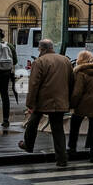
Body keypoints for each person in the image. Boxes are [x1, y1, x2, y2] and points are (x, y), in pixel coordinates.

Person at [18, 38, 75, 166]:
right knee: (58, 129)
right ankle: (62, 159)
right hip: (60, 101)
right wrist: (69, 100)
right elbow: (72, 81)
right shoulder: (65, 60)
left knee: (32, 122)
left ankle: (28, 145)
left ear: (42, 49)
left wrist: (30, 104)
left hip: (43, 100)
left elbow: (34, 84)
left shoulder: (39, 61)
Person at [67, 49, 93, 163]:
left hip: (83, 104)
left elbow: (77, 92)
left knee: (75, 125)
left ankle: (72, 149)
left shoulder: (81, 73)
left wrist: (72, 105)